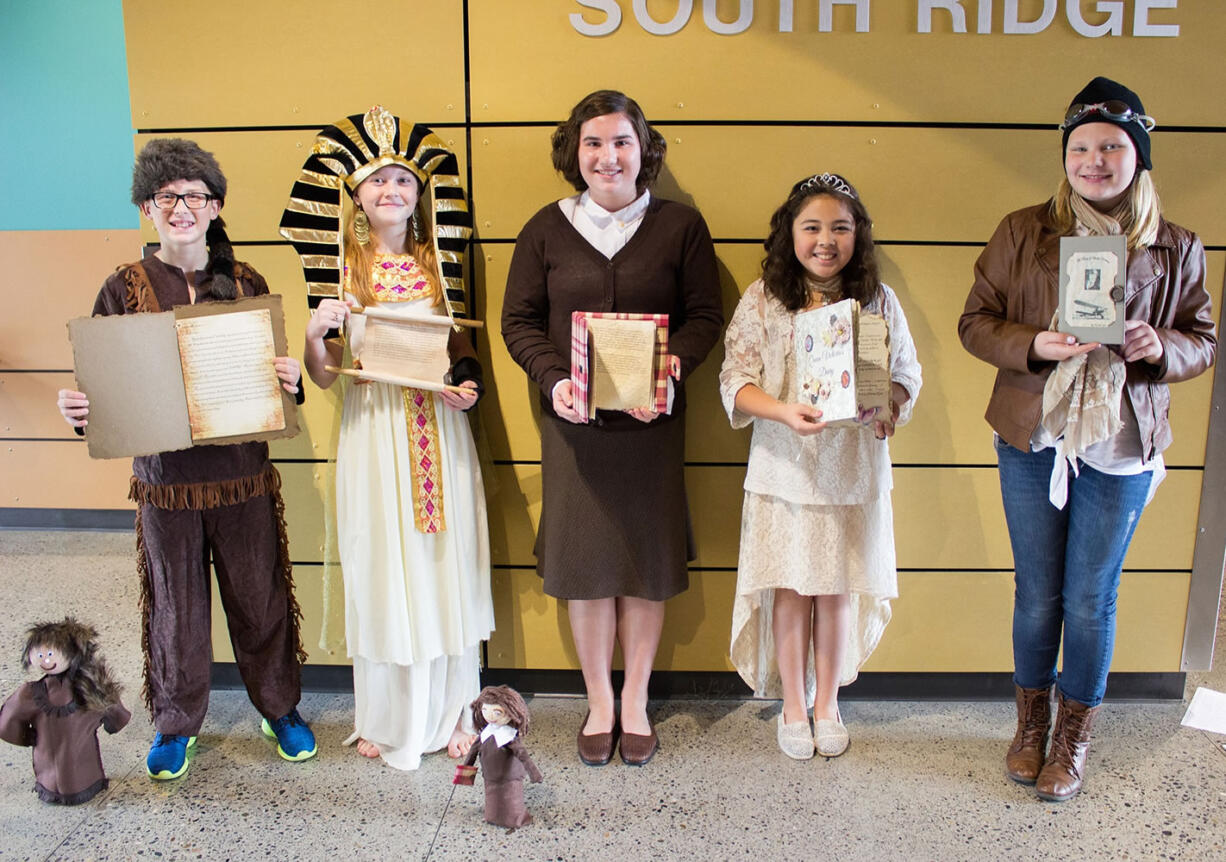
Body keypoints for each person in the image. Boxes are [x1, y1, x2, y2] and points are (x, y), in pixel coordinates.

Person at [959, 77, 1216, 802]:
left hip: (1122, 444)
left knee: (1091, 600)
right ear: (1064, 156)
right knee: (1038, 595)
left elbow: (1203, 340)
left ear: (1139, 157)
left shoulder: (1175, 246)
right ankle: (1029, 725)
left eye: (1111, 146)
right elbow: (975, 322)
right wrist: (1034, 343)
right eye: (1080, 148)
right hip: (1032, 436)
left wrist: (1156, 344)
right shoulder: (1022, 230)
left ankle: (1074, 735)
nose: (1094, 160)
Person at [55, 139, 315, 780]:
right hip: (166, 486)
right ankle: (175, 724)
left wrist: (290, 378)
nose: (180, 207)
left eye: (193, 195)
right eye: (166, 196)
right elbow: (104, 389)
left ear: (215, 205)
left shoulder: (247, 282)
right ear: (147, 206)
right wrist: (81, 410)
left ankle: (279, 708)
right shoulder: (122, 288)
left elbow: (279, 388)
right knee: (176, 610)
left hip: (244, 479)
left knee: (260, 600)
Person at [501, 90, 723, 766]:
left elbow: (704, 318)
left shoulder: (680, 226)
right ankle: (600, 700)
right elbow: (519, 323)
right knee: (589, 568)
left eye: (622, 141)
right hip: (575, 429)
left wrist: (669, 371)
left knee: (643, 566)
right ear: (574, 151)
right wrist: (554, 380)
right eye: (593, 143)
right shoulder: (545, 228)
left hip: (652, 427)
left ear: (643, 149)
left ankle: (635, 702)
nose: (607, 156)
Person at [281, 107, 493, 770]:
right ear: (355, 195)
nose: (391, 191)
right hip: (374, 434)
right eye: (377, 182)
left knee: (441, 563)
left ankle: (456, 708)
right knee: (384, 563)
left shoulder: (439, 263)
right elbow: (324, 376)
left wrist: (469, 387)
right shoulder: (342, 271)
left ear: (420, 192)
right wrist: (317, 335)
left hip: (439, 432)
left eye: (403, 179)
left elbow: (460, 349)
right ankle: (388, 714)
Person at [719, 173, 921, 760]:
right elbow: (735, 379)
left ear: (858, 235)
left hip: (852, 465)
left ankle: (828, 704)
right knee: (790, 589)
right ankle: (791, 705)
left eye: (840, 227)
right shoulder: (764, 297)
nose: (825, 240)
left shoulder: (877, 299)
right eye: (812, 227)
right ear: (791, 232)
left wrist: (889, 407)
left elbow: (905, 374)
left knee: (835, 590)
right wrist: (782, 411)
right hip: (784, 466)